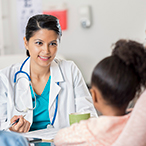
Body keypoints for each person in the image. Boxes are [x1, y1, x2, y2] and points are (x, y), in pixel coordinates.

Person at [0, 14, 97, 132]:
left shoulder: (70, 70)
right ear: (26, 42)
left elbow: (88, 115)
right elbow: (1, 125)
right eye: (39, 43)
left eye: (52, 44)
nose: (46, 51)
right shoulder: (6, 77)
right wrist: (11, 129)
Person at [54, 39, 146, 146]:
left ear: (94, 96)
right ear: (132, 95)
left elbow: (59, 138)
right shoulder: (134, 121)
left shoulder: (90, 129)